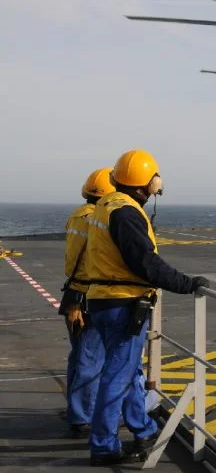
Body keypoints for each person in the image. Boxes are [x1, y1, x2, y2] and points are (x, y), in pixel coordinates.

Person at [85, 149, 209, 466]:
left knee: (126, 372)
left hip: (103, 299)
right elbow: (145, 264)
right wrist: (186, 283)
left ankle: (143, 430)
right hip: (122, 304)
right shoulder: (126, 213)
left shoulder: (105, 205)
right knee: (117, 377)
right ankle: (102, 446)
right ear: (149, 185)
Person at [58, 167, 114, 438]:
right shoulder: (99, 220)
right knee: (90, 359)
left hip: (73, 294)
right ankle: (81, 418)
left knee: (79, 357)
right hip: (89, 295)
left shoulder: (76, 216)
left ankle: (77, 409)